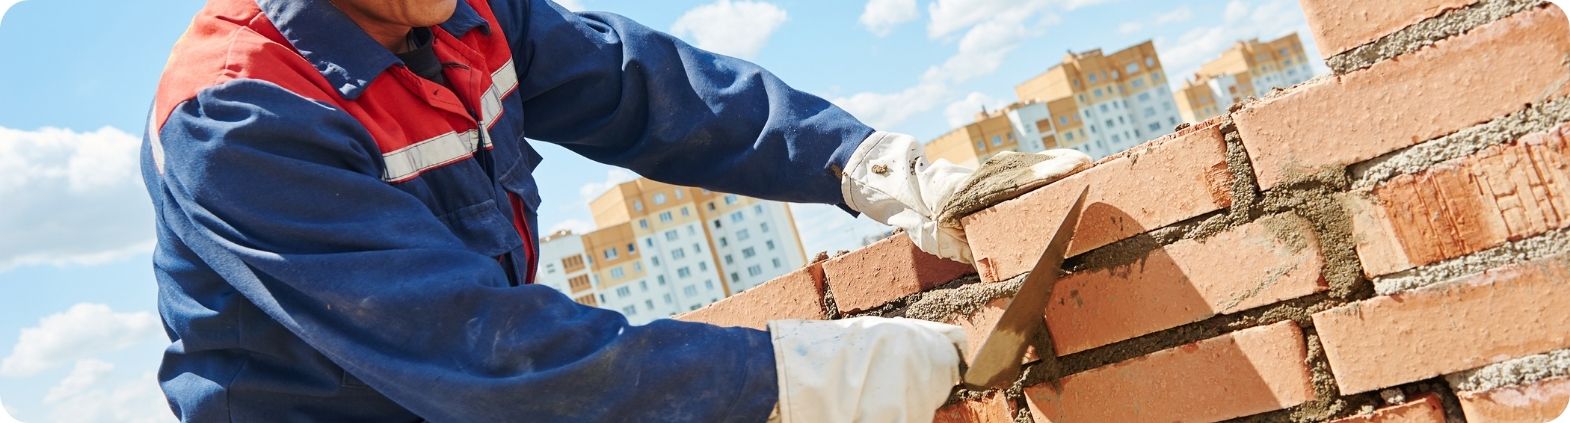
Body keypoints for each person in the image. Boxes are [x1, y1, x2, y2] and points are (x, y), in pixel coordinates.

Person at [140, 0, 1091, 421]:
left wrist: (871, 168)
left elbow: (656, 92)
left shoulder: (458, 12)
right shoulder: (241, 118)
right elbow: (485, 354)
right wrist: (808, 381)